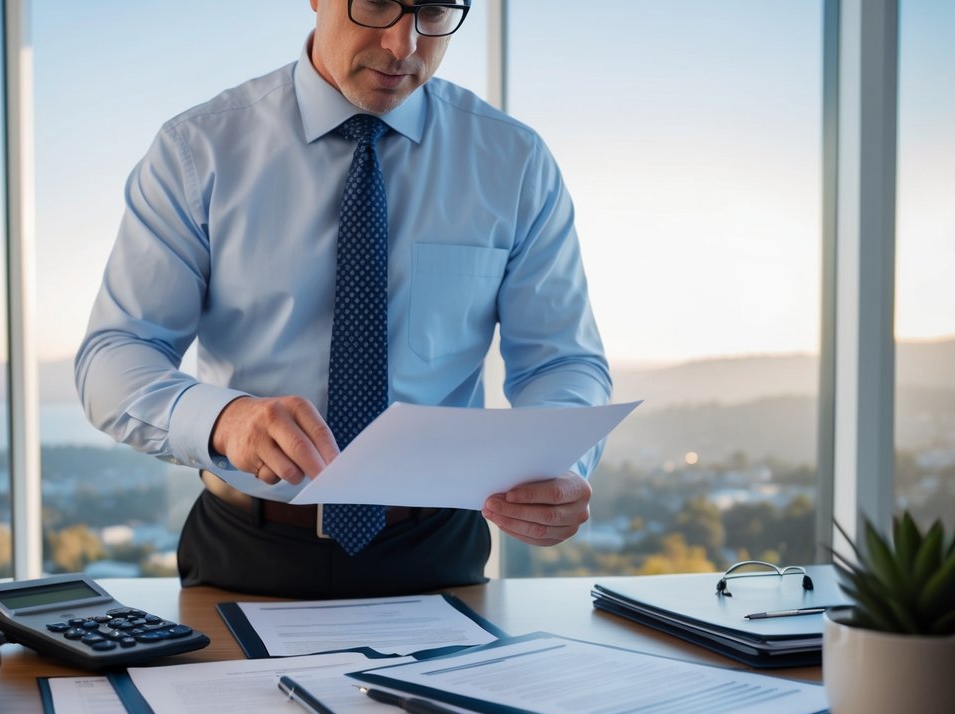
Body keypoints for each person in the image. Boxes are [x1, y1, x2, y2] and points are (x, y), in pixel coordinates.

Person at [75, 0, 611, 598]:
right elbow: (114, 356)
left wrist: (559, 467)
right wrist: (225, 420)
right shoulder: (197, 150)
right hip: (245, 548)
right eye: (379, 4)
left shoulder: (512, 160)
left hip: (436, 550)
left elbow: (562, 360)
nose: (404, 45)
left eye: (433, 11)